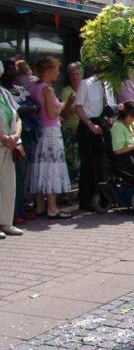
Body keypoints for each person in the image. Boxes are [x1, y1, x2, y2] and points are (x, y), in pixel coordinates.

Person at [27, 57, 71, 220]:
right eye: (56, 69)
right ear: (49, 70)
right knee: (51, 167)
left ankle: (39, 205)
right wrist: (64, 103)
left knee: (39, 166)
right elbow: (53, 113)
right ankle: (52, 208)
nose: (58, 72)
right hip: (51, 131)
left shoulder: (32, 86)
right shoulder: (48, 89)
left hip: (39, 131)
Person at [75, 71, 116, 211]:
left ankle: (101, 196)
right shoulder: (86, 83)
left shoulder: (108, 84)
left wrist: (110, 120)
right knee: (88, 164)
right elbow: (78, 107)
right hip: (89, 124)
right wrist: (90, 125)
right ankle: (85, 199)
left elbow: (108, 105)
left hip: (102, 122)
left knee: (102, 162)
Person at [0, 60, 23, 239]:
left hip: (9, 146)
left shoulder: (5, 93)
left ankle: (6, 222)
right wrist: (3, 138)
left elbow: (17, 117)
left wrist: (15, 135)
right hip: (2, 143)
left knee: (9, 186)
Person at [60, 62, 82, 183]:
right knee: (71, 161)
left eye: (77, 74)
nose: (75, 76)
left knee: (81, 161)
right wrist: (69, 103)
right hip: (70, 130)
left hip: (84, 130)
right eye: (72, 74)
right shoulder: (66, 91)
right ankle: (67, 193)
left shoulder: (85, 89)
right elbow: (63, 114)